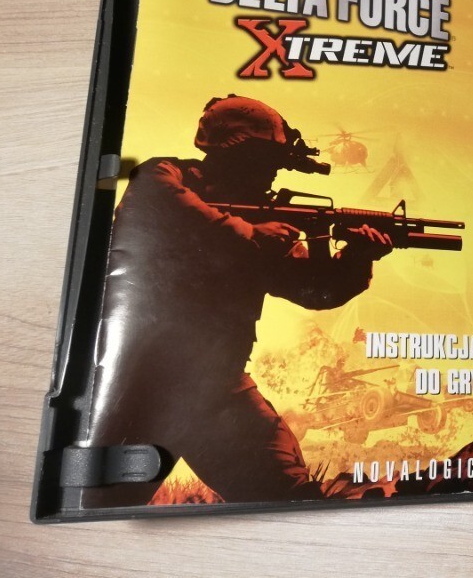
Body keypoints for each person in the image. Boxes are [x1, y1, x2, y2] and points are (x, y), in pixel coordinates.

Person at [83, 95, 393, 507]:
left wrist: (357, 258)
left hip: (218, 390)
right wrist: (256, 235)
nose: (270, 172)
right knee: (96, 506)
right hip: (140, 386)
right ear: (230, 151)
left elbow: (314, 289)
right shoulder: (163, 178)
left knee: (291, 500)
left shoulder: (263, 221)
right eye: (263, 159)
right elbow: (181, 217)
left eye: (276, 162)